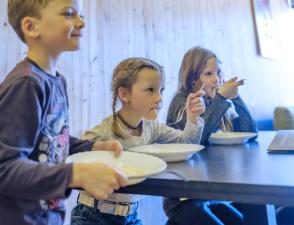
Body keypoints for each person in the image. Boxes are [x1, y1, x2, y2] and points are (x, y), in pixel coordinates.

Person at [0, 1, 128, 225]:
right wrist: (74, 175)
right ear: (31, 27)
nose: (81, 22)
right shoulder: (26, 84)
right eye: (69, 14)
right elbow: (5, 167)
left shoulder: (57, 81)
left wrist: (90, 147)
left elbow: (47, 139)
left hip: (48, 216)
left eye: (81, 14)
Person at [71, 57, 206, 225]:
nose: (159, 98)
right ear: (124, 94)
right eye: (150, 90)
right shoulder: (104, 132)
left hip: (130, 217)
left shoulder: (152, 127)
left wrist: (192, 119)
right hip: (93, 216)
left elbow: (186, 144)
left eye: (161, 90)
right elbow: (75, 155)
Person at [164, 46, 258, 225]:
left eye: (219, 72)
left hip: (211, 193)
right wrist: (221, 98)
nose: (217, 79)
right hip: (184, 197)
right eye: (208, 74)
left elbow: (251, 133)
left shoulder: (217, 103)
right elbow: (198, 139)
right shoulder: (183, 103)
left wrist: (236, 98)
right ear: (192, 79)